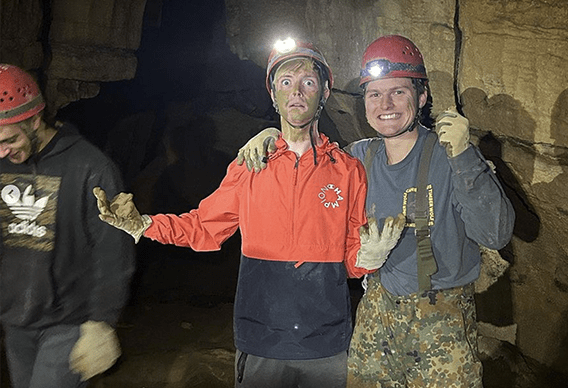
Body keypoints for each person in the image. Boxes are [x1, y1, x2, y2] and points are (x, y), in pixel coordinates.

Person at [93, 39, 405, 388]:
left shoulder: (348, 170)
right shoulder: (250, 165)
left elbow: (348, 259)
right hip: (261, 340)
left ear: (325, 92)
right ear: (273, 95)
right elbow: (204, 228)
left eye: (308, 82)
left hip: (326, 343)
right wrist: (145, 224)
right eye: (285, 82)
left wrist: (369, 256)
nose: (297, 92)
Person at [236, 35, 515, 387]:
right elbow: (305, 161)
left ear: (422, 96)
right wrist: (271, 136)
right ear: (365, 103)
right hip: (377, 313)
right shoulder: (357, 158)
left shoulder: (450, 156)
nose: (386, 103)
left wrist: (465, 158)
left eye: (398, 92)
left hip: (441, 321)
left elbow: (495, 234)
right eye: (374, 94)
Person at [0, 64, 135, 388]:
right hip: (16, 320)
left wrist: (101, 322)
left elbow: (112, 249)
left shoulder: (90, 166)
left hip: (69, 322)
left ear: (34, 120)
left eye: (9, 140)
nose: (2, 151)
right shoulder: (2, 163)